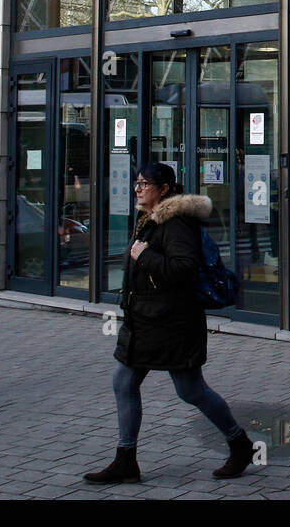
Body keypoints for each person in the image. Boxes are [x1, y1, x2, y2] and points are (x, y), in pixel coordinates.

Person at [84, 162, 254, 484]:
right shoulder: (148, 219)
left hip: (172, 324)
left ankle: (240, 443)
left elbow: (184, 270)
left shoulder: (175, 223)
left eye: (145, 183)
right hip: (146, 321)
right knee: (126, 382)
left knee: (191, 390)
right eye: (136, 182)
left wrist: (144, 256)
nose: (137, 188)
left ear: (164, 190)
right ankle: (126, 460)